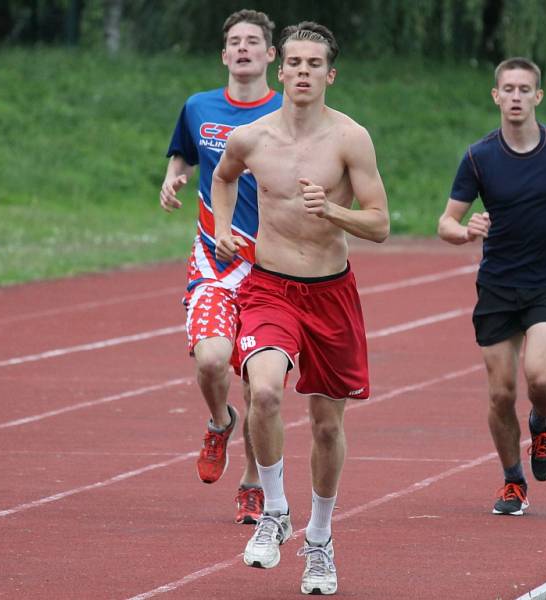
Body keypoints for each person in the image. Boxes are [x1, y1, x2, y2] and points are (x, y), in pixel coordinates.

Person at [212, 21, 389, 596]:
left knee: (325, 424)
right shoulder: (252, 137)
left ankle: (319, 537)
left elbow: (381, 224)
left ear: (329, 75)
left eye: (316, 64)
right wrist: (221, 229)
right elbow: (223, 176)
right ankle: (275, 510)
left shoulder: (350, 139)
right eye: (295, 62)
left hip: (330, 294)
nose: (304, 72)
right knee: (262, 391)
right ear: (280, 69)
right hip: (269, 287)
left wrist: (333, 212)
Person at [437, 57, 546, 516]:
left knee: (540, 377)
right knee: (499, 394)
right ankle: (513, 481)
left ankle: (541, 421)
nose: (515, 97)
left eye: (524, 89)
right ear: (496, 96)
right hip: (497, 284)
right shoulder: (479, 156)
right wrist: (466, 230)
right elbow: (446, 223)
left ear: (538, 96)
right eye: (507, 89)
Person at [160, 9, 282, 525]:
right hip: (213, 257)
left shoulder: (287, 112)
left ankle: (253, 482)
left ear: (271, 55)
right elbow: (182, 154)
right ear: (224, 54)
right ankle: (219, 422)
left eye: (253, 41)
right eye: (234, 41)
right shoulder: (198, 107)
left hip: (271, 265)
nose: (243, 49)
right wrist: (173, 178)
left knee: (261, 387)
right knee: (211, 361)